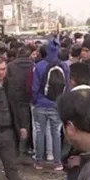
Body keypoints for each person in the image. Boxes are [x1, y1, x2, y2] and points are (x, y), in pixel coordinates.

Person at [31, 40, 69, 170]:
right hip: (57, 105)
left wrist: (35, 100)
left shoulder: (39, 66)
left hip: (40, 104)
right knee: (56, 133)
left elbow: (34, 87)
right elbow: (67, 86)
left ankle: (39, 161)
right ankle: (57, 162)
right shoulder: (64, 66)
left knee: (40, 132)